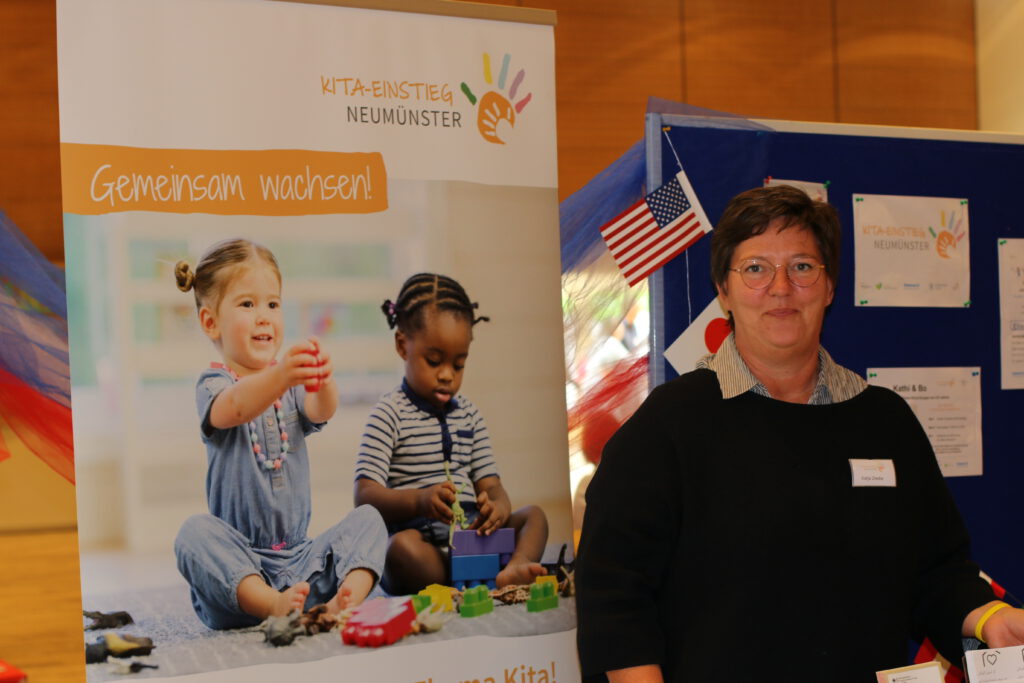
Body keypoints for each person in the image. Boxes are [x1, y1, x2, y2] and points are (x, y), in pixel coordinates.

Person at [575, 185, 1024, 682]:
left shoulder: (885, 421)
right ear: (723, 291)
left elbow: (936, 572)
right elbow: (613, 595)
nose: (781, 287)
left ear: (829, 288)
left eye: (803, 266)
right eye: (755, 268)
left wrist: (990, 619)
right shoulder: (669, 424)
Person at [172, 238, 386, 629]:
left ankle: (341, 601)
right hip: (239, 573)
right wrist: (282, 374)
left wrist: (322, 379)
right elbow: (236, 407)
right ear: (211, 322)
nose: (264, 317)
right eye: (247, 304)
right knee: (193, 535)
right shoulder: (214, 385)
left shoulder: (288, 386)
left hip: (302, 562)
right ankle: (272, 604)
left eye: (273, 304)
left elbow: (320, 410)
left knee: (370, 519)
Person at [354, 273, 549, 594]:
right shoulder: (388, 414)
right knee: (399, 550)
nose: (447, 375)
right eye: (434, 361)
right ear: (403, 345)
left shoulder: (470, 415)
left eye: (458, 365)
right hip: (423, 543)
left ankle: (514, 567)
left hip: (472, 536)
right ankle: (455, 578)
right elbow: (364, 495)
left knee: (534, 517)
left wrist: (498, 507)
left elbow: (492, 486)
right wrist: (419, 500)